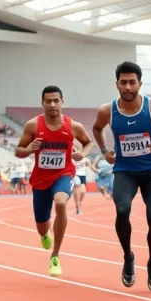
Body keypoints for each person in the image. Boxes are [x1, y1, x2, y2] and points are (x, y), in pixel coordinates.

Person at [91, 61, 151, 293]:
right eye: (123, 82)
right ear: (117, 85)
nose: (128, 86)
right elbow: (96, 128)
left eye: (132, 82)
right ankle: (128, 257)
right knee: (122, 210)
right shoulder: (107, 111)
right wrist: (104, 151)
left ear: (140, 84)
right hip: (125, 170)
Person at [15, 85, 92, 277]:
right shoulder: (33, 125)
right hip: (40, 179)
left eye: (56, 100)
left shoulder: (72, 126)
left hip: (63, 174)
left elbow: (88, 142)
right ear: (42, 104)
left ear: (62, 102)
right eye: (48, 101)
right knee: (42, 226)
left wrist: (82, 153)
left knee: (60, 202)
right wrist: (30, 149)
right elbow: (18, 151)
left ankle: (55, 256)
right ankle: (44, 234)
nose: (52, 104)